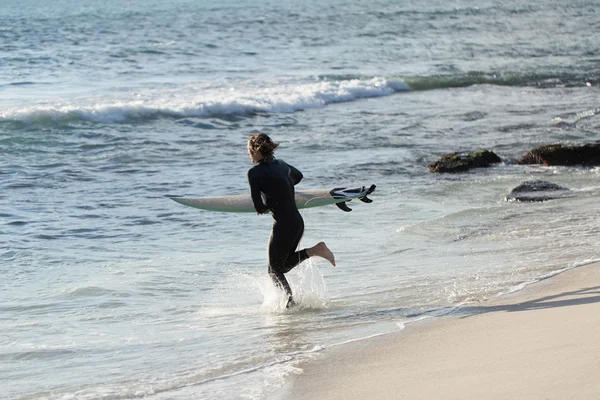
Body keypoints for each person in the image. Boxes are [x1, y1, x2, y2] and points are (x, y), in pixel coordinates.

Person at [246, 133, 335, 308]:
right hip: (297, 223)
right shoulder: (282, 165)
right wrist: (283, 186)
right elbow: (298, 176)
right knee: (282, 267)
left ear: (256, 150)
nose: (248, 154)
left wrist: (266, 205)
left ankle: (290, 302)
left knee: (273, 271)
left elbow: (259, 207)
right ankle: (314, 250)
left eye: (249, 150)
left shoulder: (253, 173)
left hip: (283, 225)